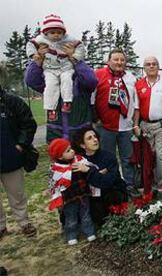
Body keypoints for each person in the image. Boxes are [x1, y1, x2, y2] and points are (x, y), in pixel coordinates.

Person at [25, 49, 97, 143]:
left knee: (82, 158)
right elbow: (31, 80)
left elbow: (92, 81)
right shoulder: (51, 82)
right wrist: (38, 61)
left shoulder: (81, 82)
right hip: (56, 135)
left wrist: (76, 60)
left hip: (81, 136)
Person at [93, 48, 138, 188]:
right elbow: (91, 99)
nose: (119, 62)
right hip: (105, 127)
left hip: (126, 127)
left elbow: (136, 102)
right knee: (108, 159)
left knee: (128, 159)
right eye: (116, 59)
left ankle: (130, 186)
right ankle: (112, 187)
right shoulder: (98, 74)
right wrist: (95, 119)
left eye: (122, 60)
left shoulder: (131, 78)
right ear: (108, 61)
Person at [26, 14, 86, 120]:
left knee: (67, 81)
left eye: (59, 32)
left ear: (64, 33)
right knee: (50, 86)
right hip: (50, 69)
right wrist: (34, 55)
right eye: (52, 32)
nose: (56, 35)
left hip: (65, 67)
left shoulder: (68, 39)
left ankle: (67, 102)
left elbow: (80, 45)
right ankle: (50, 109)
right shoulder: (41, 39)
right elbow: (30, 44)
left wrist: (75, 57)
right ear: (46, 33)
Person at [134, 56, 162, 189]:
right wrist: (135, 125)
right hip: (145, 127)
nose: (151, 66)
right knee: (149, 157)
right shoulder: (139, 84)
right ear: (144, 68)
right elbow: (136, 107)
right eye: (148, 64)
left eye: (154, 64)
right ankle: (151, 186)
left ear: (158, 67)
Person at [0, 85, 37, 238]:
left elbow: (28, 123)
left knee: (17, 193)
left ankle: (23, 222)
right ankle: (1, 226)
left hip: (10, 157)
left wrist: (21, 144)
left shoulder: (12, 101)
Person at [72, 127, 128, 226]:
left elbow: (108, 181)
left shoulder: (108, 157)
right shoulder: (79, 160)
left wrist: (89, 171)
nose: (95, 139)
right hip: (92, 195)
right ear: (82, 145)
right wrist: (98, 174)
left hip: (111, 192)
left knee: (112, 198)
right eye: (89, 138)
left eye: (95, 136)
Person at [47, 138, 96, 245]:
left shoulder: (79, 160)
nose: (72, 151)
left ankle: (89, 231)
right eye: (68, 151)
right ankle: (71, 234)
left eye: (71, 148)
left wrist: (86, 168)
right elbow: (53, 184)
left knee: (86, 214)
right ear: (60, 156)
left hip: (83, 193)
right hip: (68, 198)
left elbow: (90, 167)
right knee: (71, 217)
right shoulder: (56, 169)